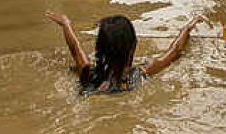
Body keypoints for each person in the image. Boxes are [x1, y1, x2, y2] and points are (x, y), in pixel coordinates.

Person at [44, 12, 206, 95]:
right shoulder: (142, 73)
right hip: (129, 96)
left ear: (99, 48)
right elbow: (175, 51)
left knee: (71, 69)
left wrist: (66, 24)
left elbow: (74, 47)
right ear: (133, 46)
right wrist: (187, 28)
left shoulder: (88, 74)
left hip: (92, 95)